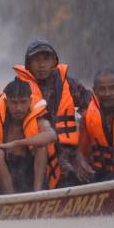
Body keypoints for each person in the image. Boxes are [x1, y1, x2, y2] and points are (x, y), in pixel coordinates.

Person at [12, 38, 92, 187]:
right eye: (36, 60)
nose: (41, 65)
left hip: (69, 149)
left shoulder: (67, 83)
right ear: (28, 64)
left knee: (79, 172)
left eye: (46, 59)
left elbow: (91, 106)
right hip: (34, 149)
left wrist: (83, 131)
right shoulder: (20, 87)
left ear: (54, 61)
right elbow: (2, 112)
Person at [0, 78, 59, 194]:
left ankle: (38, 195)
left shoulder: (38, 120)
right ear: (6, 103)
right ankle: (11, 198)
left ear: (30, 101)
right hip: (5, 177)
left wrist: (16, 143)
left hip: (30, 175)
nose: (18, 108)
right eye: (14, 103)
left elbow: (52, 136)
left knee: (41, 147)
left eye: (23, 102)